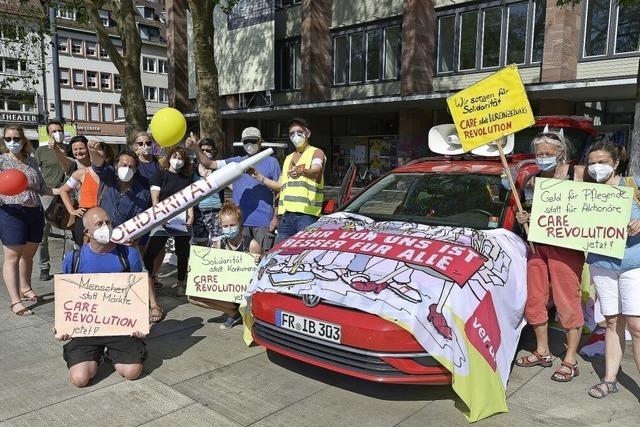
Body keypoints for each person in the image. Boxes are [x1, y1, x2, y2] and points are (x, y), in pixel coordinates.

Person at [513, 131, 584, 382]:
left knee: (567, 301)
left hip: (566, 248)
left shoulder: (578, 173)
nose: (543, 158)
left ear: (561, 152)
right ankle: (542, 351)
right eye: (539, 154)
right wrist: (525, 219)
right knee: (535, 299)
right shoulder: (533, 179)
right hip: (537, 246)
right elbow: (529, 212)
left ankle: (570, 359)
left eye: (548, 153)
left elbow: (598, 205)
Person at [55, 207, 147, 387]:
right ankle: (97, 356)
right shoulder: (73, 259)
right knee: (79, 380)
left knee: (131, 373)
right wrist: (62, 325)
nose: (106, 226)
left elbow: (139, 290)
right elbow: (65, 296)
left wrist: (141, 323)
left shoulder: (129, 255)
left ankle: (116, 353)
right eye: (99, 224)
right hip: (86, 328)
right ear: (87, 232)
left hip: (121, 327)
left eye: (108, 222)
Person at [584, 142, 640, 398]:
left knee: (637, 326)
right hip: (601, 264)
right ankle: (610, 379)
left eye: (603, 161)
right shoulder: (583, 193)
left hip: (633, 264)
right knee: (611, 322)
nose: (597, 167)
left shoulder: (633, 185)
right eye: (593, 162)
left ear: (616, 163)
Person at [87, 142, 162, 323]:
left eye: (131, 167)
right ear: (116, 165)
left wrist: (133, 237)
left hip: (128, 237)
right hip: (101, 234)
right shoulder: (108, 178)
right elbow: (97, 163)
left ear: (136, 170)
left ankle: (154, 305)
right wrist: (92, 150)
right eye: (123, 165)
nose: (126, 169)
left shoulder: (142, 192)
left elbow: (141, 220)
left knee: (140, 269)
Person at [186, 127, 281, 251]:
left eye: (253, 141)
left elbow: (279, 190)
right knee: (241, 261)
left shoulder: (272, 162)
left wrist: (276, 217)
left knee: (262, 257)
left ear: (260, 142)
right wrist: (196, 148)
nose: (249, 144)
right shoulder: (236, 162)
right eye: (246, 141)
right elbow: (210, 164)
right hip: (239, 223)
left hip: (263, 222)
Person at [1, 124, 57, 315]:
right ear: (4, 140)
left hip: (34, 211)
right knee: (12, 257)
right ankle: (15, 301)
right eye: (8, 139)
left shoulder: (31, 161)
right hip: (11, 211)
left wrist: (65, 190)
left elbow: (42, 187)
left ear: (23, 140)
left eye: (16, 139)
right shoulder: (1, 161)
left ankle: (26, 288)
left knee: (28, 255)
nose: (12, 142)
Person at [188, 201, 262, 329]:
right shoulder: (218, 244)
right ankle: (233, 313)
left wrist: (259, 262)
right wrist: (195, 269)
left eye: (232, 225)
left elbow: (262, 274)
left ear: (240, 224)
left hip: (246, 294)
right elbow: (209, 267)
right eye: (225, 226)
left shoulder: (252, 245)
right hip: (228, 290)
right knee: (192, 297)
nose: (229, 229)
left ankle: (240, 312)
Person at [252, 118, 325, 244]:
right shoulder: (288, 159)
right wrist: (259, 177)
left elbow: (316, 170)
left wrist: (301, 171)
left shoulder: (316, 152)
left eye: (299, 132)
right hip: (285, 216)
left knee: (304, 253)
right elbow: (280, 186)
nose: (295, 136)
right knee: (283, 254)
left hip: (306, 215)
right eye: (292, 133)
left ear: (308, 133)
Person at [143, 146, 194, 297]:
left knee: (183, 253)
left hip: (181, 220)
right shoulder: (159, 174)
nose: (177, 161)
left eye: (180, 158)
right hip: (162, 219)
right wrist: (160, 216)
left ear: (184, 162)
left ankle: (180, 283)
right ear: (168, 158)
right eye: (174, 157)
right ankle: (149, 281)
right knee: (150, 253)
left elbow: (189, 199)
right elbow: (155, 199)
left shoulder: (186, 178)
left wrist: (191, 215)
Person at [34, 119, 67, 280]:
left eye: (59, 130)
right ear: (49, 134)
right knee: (43, 234)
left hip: (67, 195)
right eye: (53, 131)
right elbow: (37, 174)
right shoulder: (42, 151)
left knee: (69, 234)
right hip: (47, 194)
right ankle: (44, 267)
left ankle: (68, 265)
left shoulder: (70, 149)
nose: (56, 133)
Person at [59, 140, 103, 246]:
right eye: (75, 149)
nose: (78, 151)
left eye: (81, 148)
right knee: (83, 247)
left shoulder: (109, 172)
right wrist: (72, 211)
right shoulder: (80, 173)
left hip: (103, 216)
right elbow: (63, 190)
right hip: (84, 216)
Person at [191, 138, 224, 246]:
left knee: (218, 241)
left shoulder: (219, 169)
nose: (205, 153)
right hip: (198, 213)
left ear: (214, 151)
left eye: (209, 150)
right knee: (200, 243)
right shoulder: (192, 169)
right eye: (203, 150)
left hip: (215, 211)